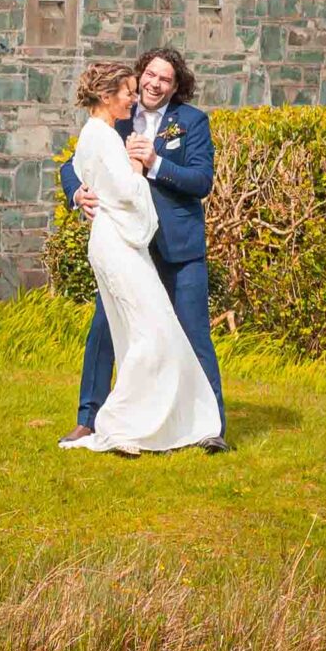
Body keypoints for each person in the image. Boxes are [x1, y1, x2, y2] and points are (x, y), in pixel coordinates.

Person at [58, 45, 226, 451]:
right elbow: (72, 164)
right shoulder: (116, 114)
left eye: (165, 79)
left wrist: (155, 163)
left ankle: (210, 428)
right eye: (150, 74)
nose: (154, 84)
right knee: (104, 329)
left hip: (179, 248)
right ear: (139, 75)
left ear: (176, 85)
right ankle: (88, 419)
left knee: (192, 333)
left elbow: (201, 181)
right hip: (127, 246)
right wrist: (77, 193)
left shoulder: (192, 121)